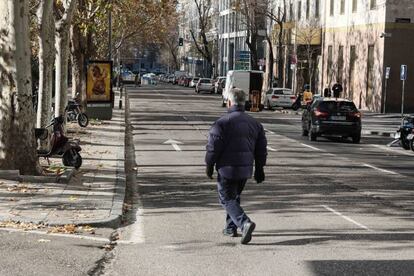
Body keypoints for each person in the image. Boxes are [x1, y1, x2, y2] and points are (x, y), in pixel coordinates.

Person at [205, 88, 267, 245]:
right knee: (234, 197)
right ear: (244, 103)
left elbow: (213, 147)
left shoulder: (222, 123)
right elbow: (261, 150)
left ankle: (244, 223)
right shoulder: (255, 124)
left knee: (226, 198)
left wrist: (209, 164)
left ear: (229, 102)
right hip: (245, 170)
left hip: (227, 169)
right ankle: (230, 227)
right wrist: (260, 168)